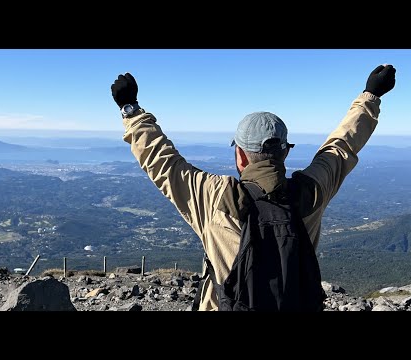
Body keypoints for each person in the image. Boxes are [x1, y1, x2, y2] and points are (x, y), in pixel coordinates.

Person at [110, 64, 396, 311]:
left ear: (241, 155)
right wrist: (370, 96)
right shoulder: (310, 192)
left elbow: (163, 162)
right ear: (284, 153)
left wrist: (131, 111)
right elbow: (341, 147)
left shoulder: (215, 196)